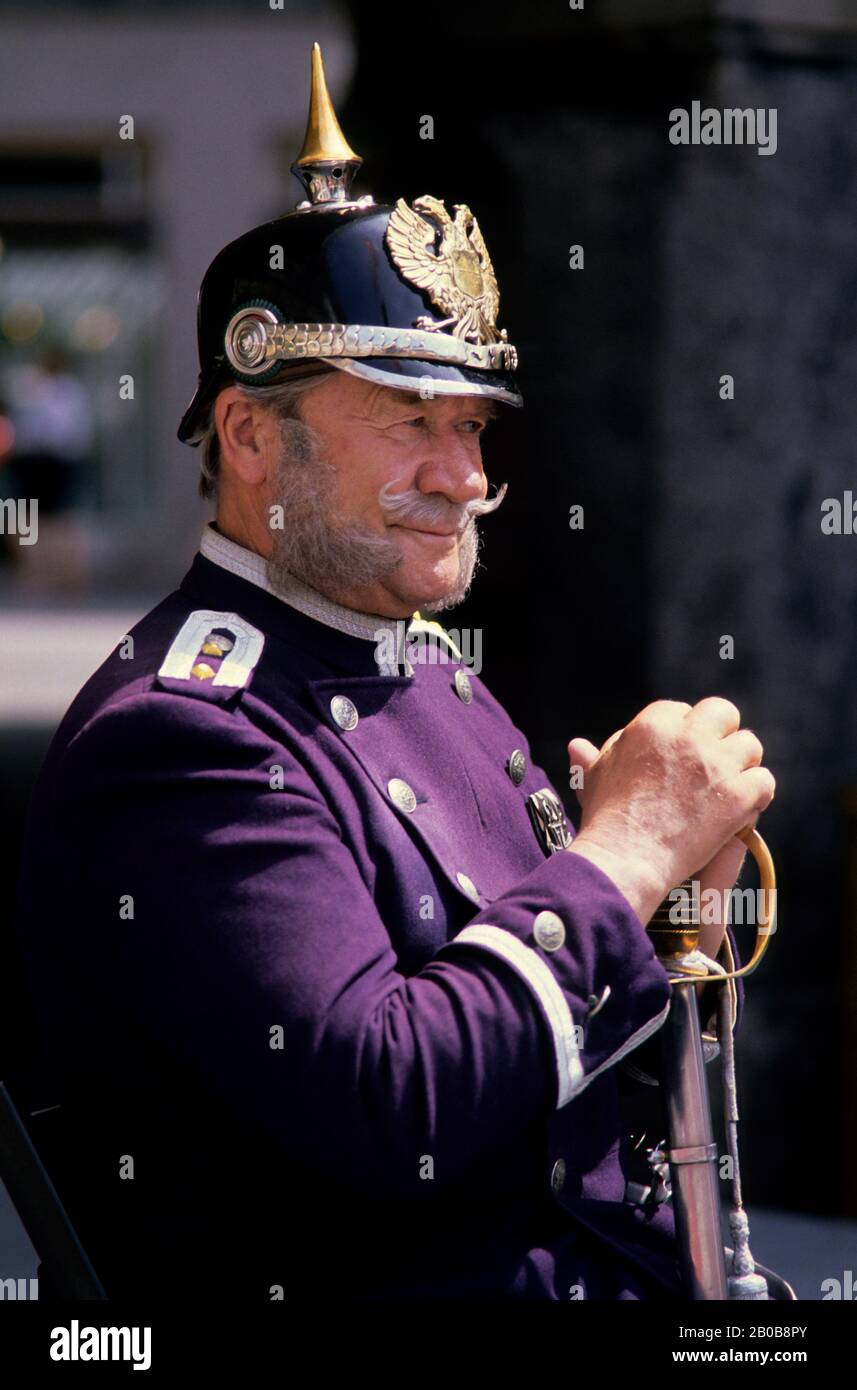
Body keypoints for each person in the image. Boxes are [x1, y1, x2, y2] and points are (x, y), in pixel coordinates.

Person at [15, 46, 772, 1301]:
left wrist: (664, 898)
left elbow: (533, 1029)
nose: (462, 477)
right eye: (408, 418)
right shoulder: (182, 737)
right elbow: (396, 1104)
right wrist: (620, 851)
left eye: (470, 424)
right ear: (252, 433)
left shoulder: (428, 672)